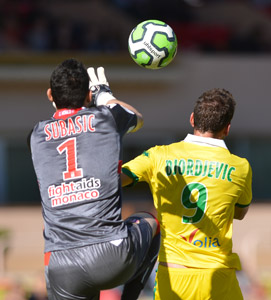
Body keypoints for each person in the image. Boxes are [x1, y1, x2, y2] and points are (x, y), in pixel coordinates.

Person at [28, 58, 160, 300]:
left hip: (60, 262)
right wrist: (105, 97)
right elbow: (136, 117)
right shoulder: (106, 118)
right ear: (89, 95)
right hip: (111, 256)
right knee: (151, 221)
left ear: (49, 95)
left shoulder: (35, 135)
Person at [121, 88, 252, 300]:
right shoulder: (240, 166)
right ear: (227, 129)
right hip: (219, 277)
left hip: (174, 275)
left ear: (192, 119)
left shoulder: (158, 156)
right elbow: (240, 212)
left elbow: (114, 180)